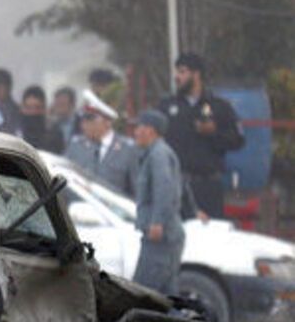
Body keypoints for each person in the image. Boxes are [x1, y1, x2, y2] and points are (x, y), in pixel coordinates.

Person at [159, 53, 244, 218]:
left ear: (196, 74)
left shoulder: (219, 106)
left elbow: (237, 141)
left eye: (182, 72)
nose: (177, 77)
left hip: (208, 185)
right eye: (177, 72)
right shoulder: (167, 106)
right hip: (177, 184)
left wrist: (214, 133)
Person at [131, 110, 186, 294]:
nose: (135, 132)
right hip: (164, 236)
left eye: (139, 127)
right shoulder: (155, 153)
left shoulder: (159, 155)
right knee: (165, 296)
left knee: (145, 293)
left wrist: (157, 222)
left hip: (161, 237)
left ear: (150, 130)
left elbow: (165, 190)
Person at [64, 97, 139, 197]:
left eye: (90, 119)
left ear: (108, 122)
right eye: (83, 120)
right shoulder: (76, 145)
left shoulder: (127, 149)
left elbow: (137, 189)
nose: (84, 125)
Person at [18, 85, 63, 153]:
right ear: (22, 109)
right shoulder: (14, 133)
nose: (33, 112)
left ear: (44, 109)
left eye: (37, 107)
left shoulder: (54, 134)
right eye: (29, 108)